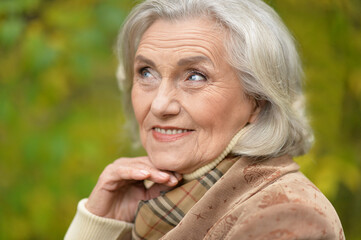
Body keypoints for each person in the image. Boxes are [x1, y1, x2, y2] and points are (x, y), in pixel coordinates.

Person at [65, 0, 344, 239]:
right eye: (147, 72)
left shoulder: (287, 216)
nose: (160, 105)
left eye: (195, 76)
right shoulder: (163, 207)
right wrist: (96, 223)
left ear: (258, 100)